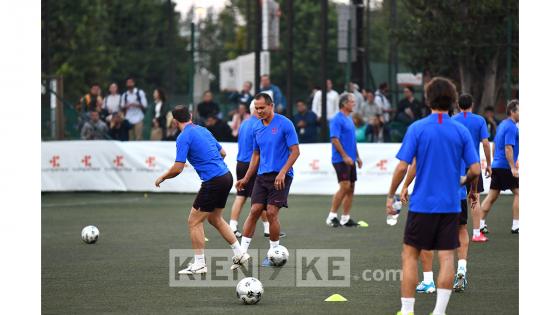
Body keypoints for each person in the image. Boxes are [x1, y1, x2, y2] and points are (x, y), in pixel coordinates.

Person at [386, 77, 480, 315]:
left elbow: (402, 166)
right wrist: (468, 185)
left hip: (422, 205)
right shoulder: (460, 130)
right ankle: (439, 312)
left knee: (409, 256)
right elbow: (476, 169)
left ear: (427, 100)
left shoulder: (417, 128)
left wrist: (392, 195)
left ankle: (408, 311)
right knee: (447, 256)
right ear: (453, 101)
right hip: (450, 205)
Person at [155, 105, 248, 274]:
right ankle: (240, 253)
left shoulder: (183, 137)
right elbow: (223, 153)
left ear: (175, 122)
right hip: (226, 176)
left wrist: (163, 177)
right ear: (190, 115)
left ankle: (199, 264)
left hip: (213, 181)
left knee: (194, 221)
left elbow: (178, 168)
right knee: (215, 219)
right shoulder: (203, 130)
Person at [234, 93, 300, 270]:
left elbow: (295, 151)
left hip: (282, 176)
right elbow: (256, 154)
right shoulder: (256, 127)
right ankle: (241, 254)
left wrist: (283, 173)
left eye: (262, 107)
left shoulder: (285, 123)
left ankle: (274, 253)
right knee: (255, 209)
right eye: (256, 108)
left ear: (271, 106)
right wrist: (246, 178)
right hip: (262, 177)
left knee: (271, 212)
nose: (259, 111)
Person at [400, 158, 475, 294]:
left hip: (431, 196)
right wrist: (474, 190)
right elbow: (475, 168)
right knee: (461, 229)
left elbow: (414, 164)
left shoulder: (424, 136)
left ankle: (428, 281)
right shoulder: (463, 136)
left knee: (424, 236)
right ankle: (462, 268)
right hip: (457, 195)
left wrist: (405, 185)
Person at [229, 101, 286, 239]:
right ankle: (267, 228)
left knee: (241, 196)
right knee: (259, 200)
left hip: (241, 162)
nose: (262, 111)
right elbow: (259, 150)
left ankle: (232, 225)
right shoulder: (259, 125)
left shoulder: (244, 123)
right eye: (259, 108)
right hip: (252, 165)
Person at [452, 94, 492, 242]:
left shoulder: (453, 120)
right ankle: (476, 233)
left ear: (458, 105)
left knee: (455, 197)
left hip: (457, 165)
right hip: (473, 164)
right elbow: (486, 143)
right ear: (472, 104)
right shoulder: (479, 120)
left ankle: (451, 232)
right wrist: (488, 164)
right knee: (474, 197)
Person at [480, 100, 519, 234]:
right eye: (519, 110)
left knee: (492, 196)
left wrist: (494, 162)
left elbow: (495, 145)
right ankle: (516, 225)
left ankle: (480, 224)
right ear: (513, 112)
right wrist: (513, 167)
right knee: (520, 193)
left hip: (498, 165)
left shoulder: (502, 124)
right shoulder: (511, 127)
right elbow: (508, 148)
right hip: (505, 166)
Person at [325, 94, 362, 228]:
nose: (354, 104)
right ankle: (332, 216)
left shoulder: (349, 119)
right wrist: (345, 156)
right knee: (345, 186)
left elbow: (353, 140)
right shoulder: (337, 119)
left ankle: (345, 218)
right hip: (340, 159)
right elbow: (334, 139)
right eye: (352, 102)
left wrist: (357, 156)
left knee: (351, 188)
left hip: (351, 160)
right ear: (344, 103)